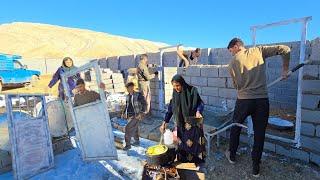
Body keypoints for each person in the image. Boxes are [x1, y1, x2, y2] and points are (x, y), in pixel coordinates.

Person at [225, 38, 290, 177]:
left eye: (232, 51)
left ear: (237, 46)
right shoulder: (259, 51)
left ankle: (232, 156)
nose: (232, 54)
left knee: (235, 127)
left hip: (243, 101)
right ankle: (256, 167)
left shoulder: (231, 64)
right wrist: (285, 69)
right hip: (261, 100)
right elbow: (285, 49)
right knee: (259, 133)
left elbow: (236, 86)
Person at [159, 74, 206, 165]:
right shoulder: (175, 94)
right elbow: (170, 109)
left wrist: (198, 111)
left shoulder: (192, 91)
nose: (176, 88)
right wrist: (165, 122)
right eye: (174, 86)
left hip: (192, 124)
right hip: (181, 125)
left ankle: (197, 161)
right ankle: (184, 160)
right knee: (183, 144)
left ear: (182, 84)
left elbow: (200, 103)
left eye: (178, 85)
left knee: (194, 144)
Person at [122, 82, 147, 150]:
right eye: (127, 88)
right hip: (129, 115)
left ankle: (128, 145)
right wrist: (123, 112)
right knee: (135, 128)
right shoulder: (127, 96)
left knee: (127, 128)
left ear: (132, 87)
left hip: (136, 115)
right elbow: (127, 105)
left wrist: (141, 113)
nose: (128, 89)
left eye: (129, 87)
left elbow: (144, 104)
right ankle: (137, 141)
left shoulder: (138, 95)